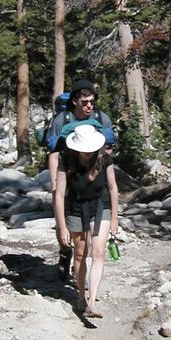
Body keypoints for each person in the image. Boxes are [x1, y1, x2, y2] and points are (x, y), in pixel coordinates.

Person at [47, 79, 116, 277]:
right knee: (67, 226)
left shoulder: (102, 119)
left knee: (93, 239)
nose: (89, 106)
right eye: (85, 102)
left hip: (95, 183)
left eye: (91, 101)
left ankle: (82, 275)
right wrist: (54, 183)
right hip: (69, 180)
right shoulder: (62, 120)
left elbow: (108, 150)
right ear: (75, 101)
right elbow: (53, 152)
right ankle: (65, 252)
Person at [54, 124, 119, 318]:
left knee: (98, 253)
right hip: (75, 207)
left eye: (90, 150)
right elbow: (59, 195)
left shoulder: (104, 159)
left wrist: (115, 218)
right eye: (85, 150)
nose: (88, 153)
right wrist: (62, 226)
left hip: (100, 206)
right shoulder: (65, 159)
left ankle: (92, 301)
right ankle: (81, 295)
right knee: (80, 254)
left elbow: (113, 188)